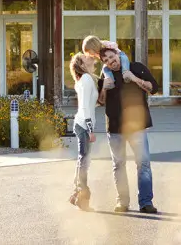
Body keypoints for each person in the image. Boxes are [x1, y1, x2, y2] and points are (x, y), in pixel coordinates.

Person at [98, 47, 158, 214]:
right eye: (106, 60)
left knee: (143, 164)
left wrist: (134, 79)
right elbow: (100, 102)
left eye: (112, 57)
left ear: (118, 54)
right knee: (118, 165)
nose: (111, 61)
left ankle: (146, 202)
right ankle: (122, 203)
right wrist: (104, 87)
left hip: (137, 127)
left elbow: (153, 87)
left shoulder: (137, 67)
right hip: (115, 128)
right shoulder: (105, 76)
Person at [68, 52, 98, 211]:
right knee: (84, 161)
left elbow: (90, 104)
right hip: (84, 125)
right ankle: (81, 197)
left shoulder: (85, 79)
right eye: (85, 57)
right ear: (81, 64)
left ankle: (76, 193)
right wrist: (91, 130)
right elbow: (85, 107)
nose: (89, 56)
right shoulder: (86, 79)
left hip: (82, 124)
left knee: (83, 160)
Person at [82, 35, 130, 104]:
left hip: (119, 55)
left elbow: (115, 45)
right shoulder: (97, 53)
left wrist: (110, 48)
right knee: (105, 69)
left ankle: (126, 73)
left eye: (89, 52)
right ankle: (110, 80)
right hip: (110, 61)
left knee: (124, 60)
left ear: (93, 47)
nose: (90, 54)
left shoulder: (104, 44)